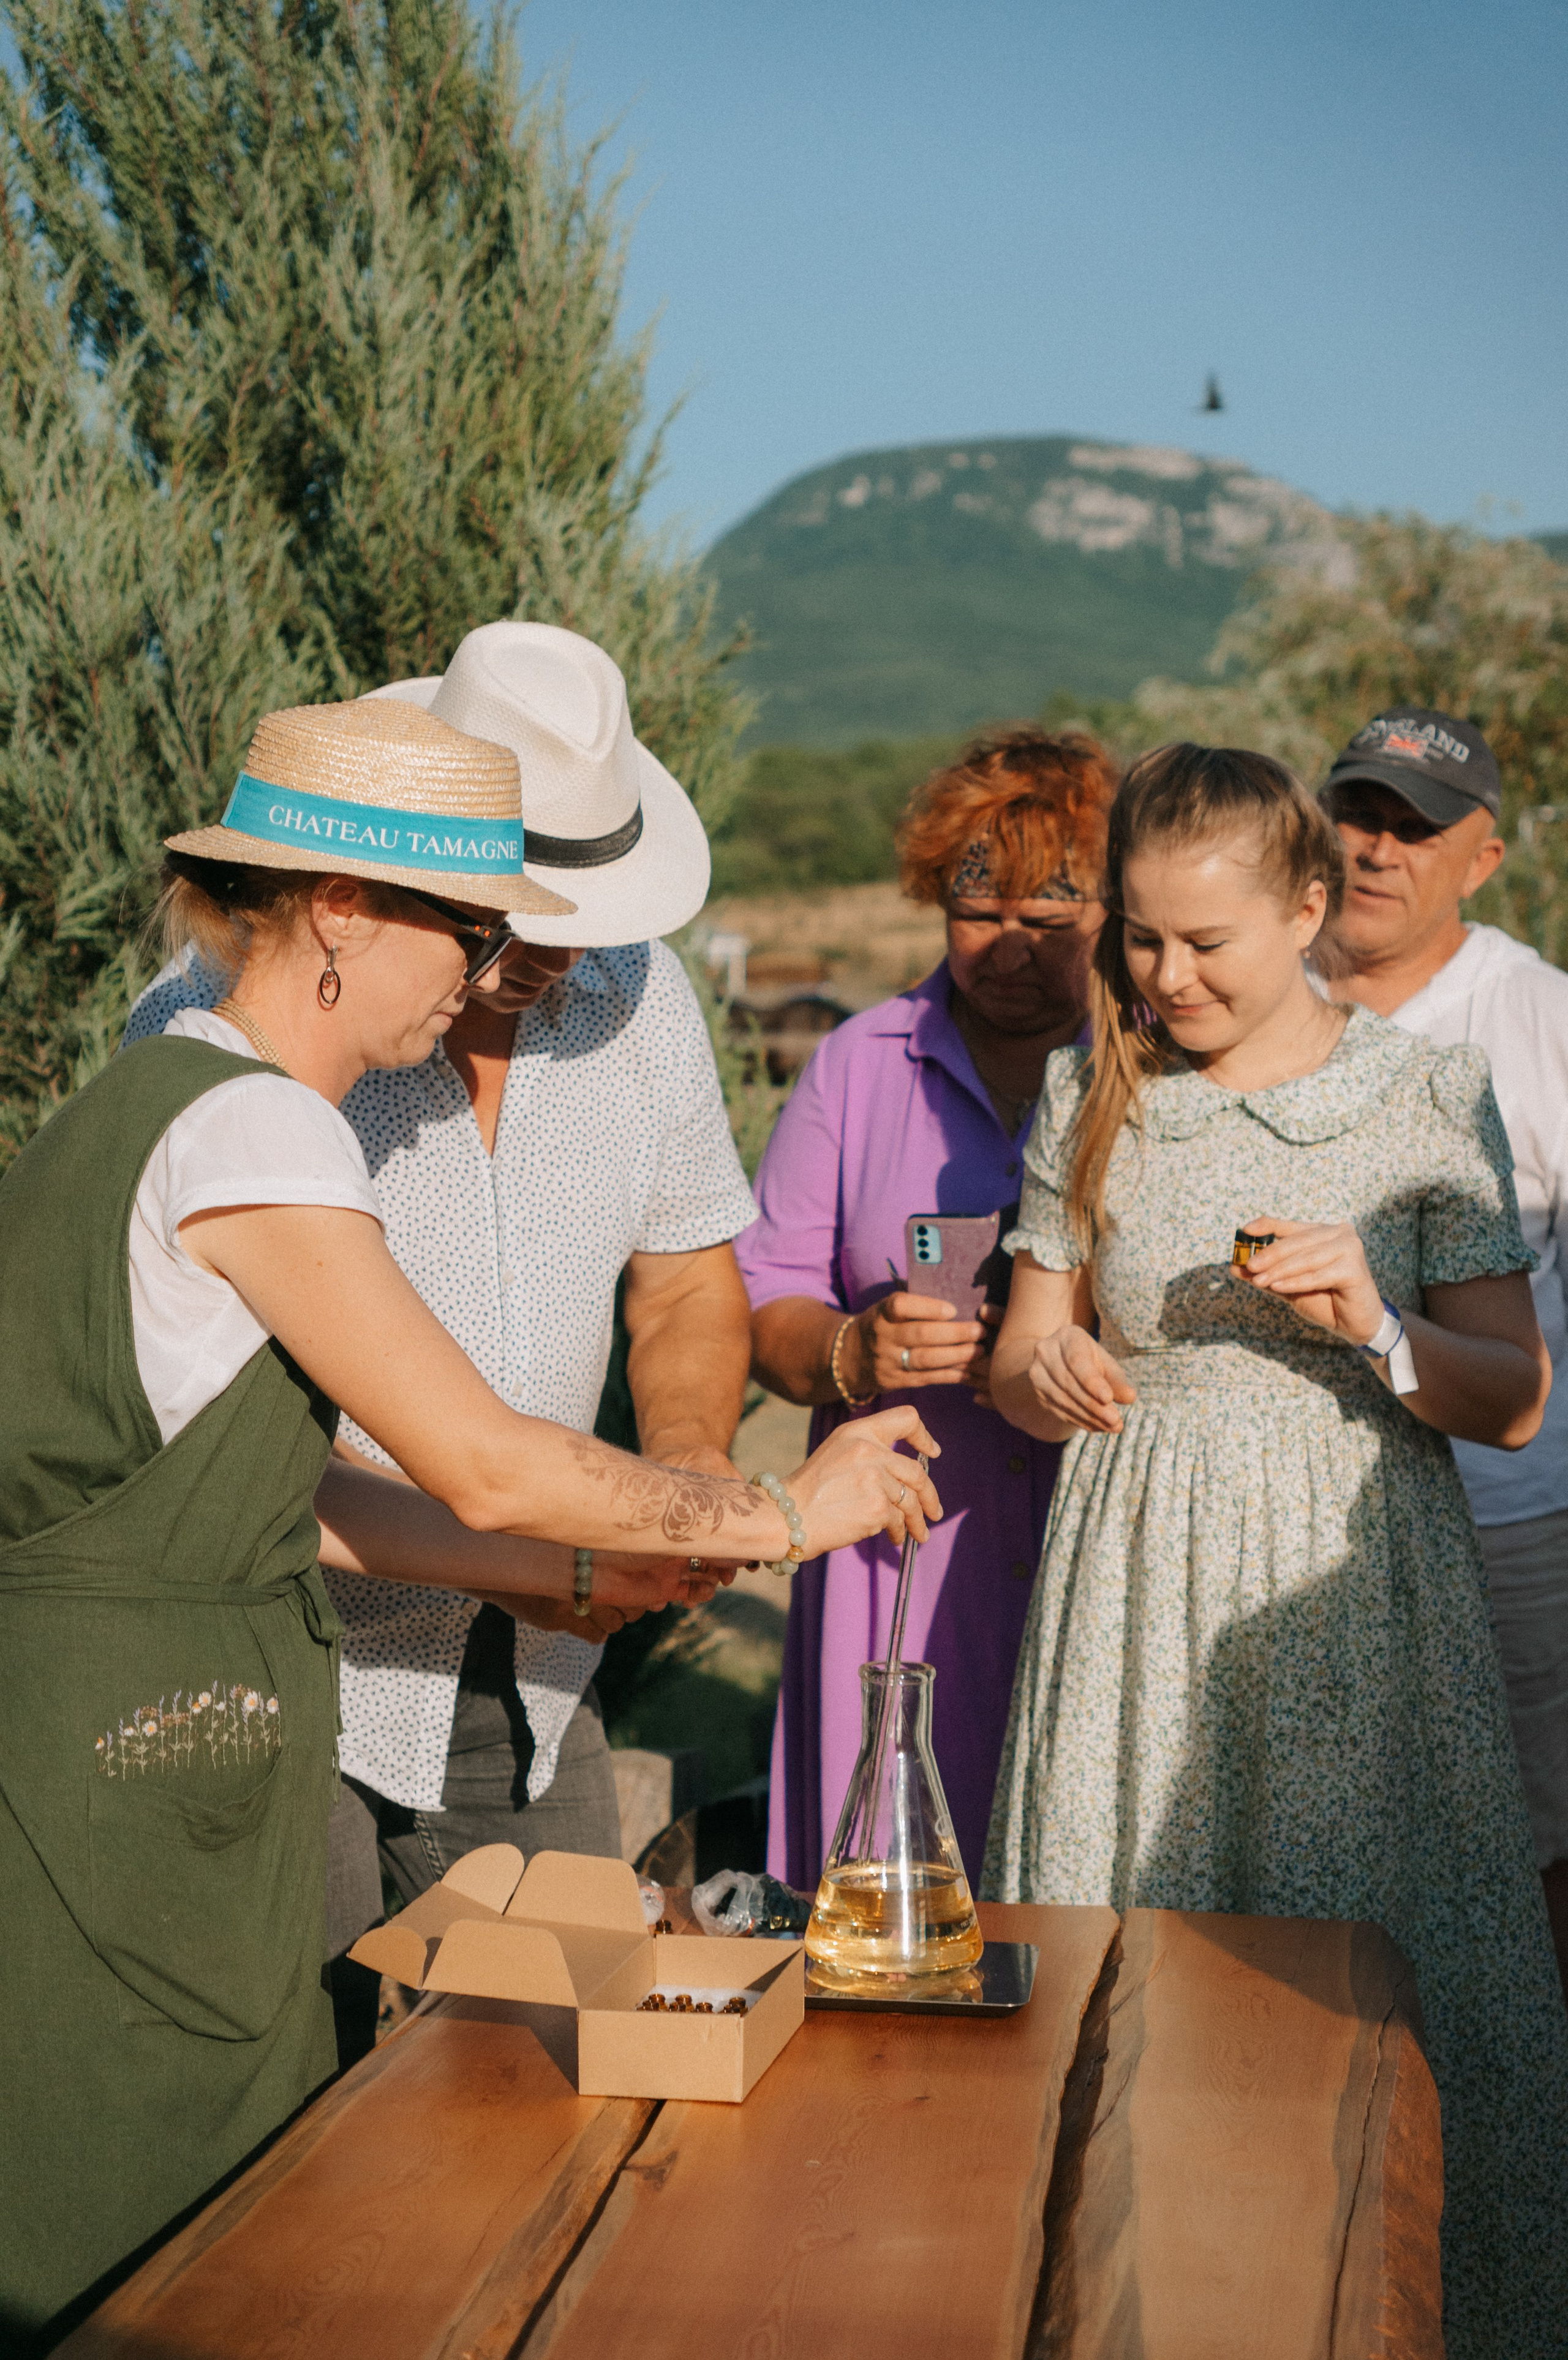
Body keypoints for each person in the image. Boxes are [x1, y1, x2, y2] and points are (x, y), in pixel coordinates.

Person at [0, 691, 940, 2347]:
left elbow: (287, 1496)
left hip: (112, 1737)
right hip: (158, 1758)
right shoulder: (261, 1128)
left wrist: (558, 1569)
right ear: (341, 910)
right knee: (186, 2230)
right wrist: (780, 1514)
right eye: (469, 921)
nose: (495, 964)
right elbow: (486, 1457)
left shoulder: (149, 1100)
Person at [981, 739, 1568, 2359]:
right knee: (1132, 1966)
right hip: (1131, 1593)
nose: (1166, 977)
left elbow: (1513, 1399)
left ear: (1307, 908)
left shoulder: (1425, 1097)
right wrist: (1044, 1369)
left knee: (1357, 1976)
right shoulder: (1090, 1093)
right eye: (1141, 939)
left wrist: (1377, 1321)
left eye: (1205, 941)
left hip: (1354, 1604)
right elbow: (1020, 1354)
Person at [126, 623, 759, 2056]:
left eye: (583, 915)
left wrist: (687, 1463)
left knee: (560, 2068)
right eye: (511, 913)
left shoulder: (643, 995)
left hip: (534, 1665)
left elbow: (683, 1282)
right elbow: (236, 1415)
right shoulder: (216, 1031)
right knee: (297, 2099)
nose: (552, 951)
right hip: (284, 1656)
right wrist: (744, 1518)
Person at [740, 729, 1113, 1885]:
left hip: (1100, 1542)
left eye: (1049, 915)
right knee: (891, 1889)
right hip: (897, 1550)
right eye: (977, 911)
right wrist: (854, 1350)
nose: (1009, 945)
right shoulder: (858, 1067)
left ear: (1113, 912)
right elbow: (767, 1301)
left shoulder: (1152, 1071)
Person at [1321, 707, 1568, 1996]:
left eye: (1414, 829)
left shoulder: (1536, 1017)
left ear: (1482, 859)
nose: (1376, 849)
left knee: (1535, 1842)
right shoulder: (1251, 993)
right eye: (1358, 815)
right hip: (1296, 1520)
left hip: (1506, 1515)